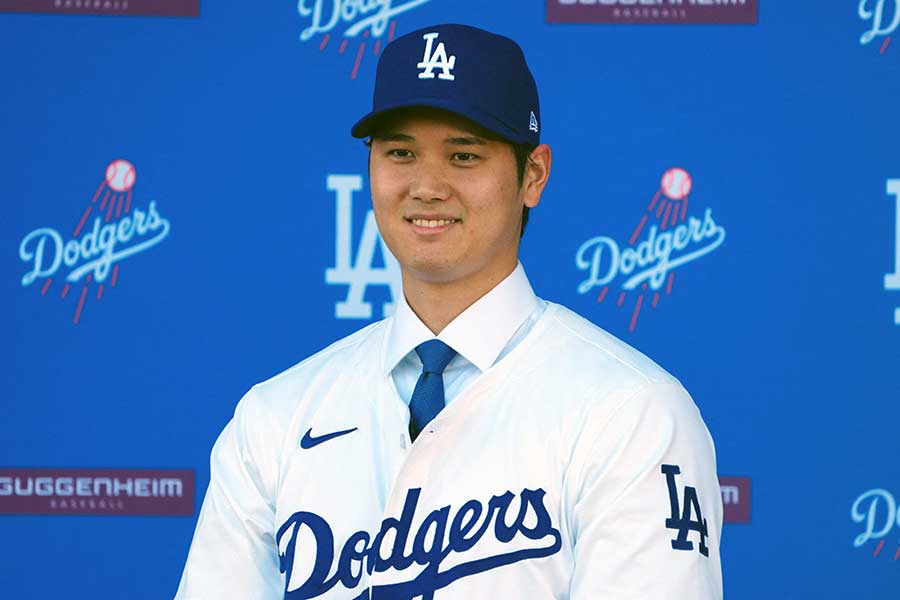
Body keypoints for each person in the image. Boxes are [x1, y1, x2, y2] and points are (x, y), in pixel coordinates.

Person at [175, 23, 723, 600]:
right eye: (401, 153)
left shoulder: (630, 411)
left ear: (532, 174)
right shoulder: (274, 417)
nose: (427, 186)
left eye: (464, 155)